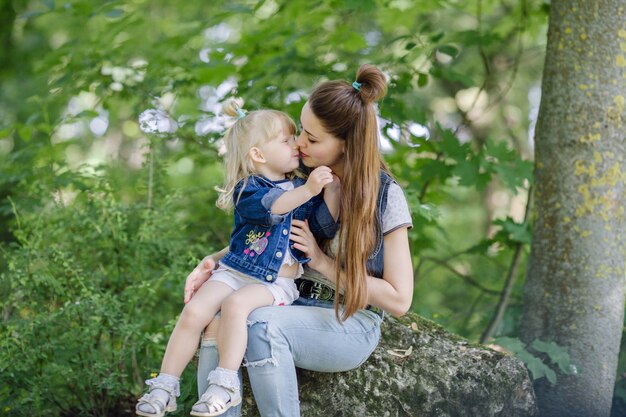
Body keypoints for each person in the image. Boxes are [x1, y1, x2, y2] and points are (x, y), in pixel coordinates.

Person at [187, 64, 414, 417]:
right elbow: (265, 236)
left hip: (347, 321)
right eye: (300, 133)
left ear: (346, 142)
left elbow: (399, 300)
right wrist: (213, 263)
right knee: (218, 313)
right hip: (290, 300)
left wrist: (322, 263)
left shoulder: (385, 196)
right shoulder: (298, 178)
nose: (299, 143)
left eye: (312, 138)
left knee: (260, 323)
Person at [135, 99, 340, 417]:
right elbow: (275, 206)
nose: (295, 144)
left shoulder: (302, 186)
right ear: (258, 154)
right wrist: (311, 190)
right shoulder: (249, 190)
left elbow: (324, 224)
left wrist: (332, 193)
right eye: (285, 141)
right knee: (195, 312)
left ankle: (225, 383)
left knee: (235, 306)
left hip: (276, 282)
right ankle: (165, 385)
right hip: (235, 271)